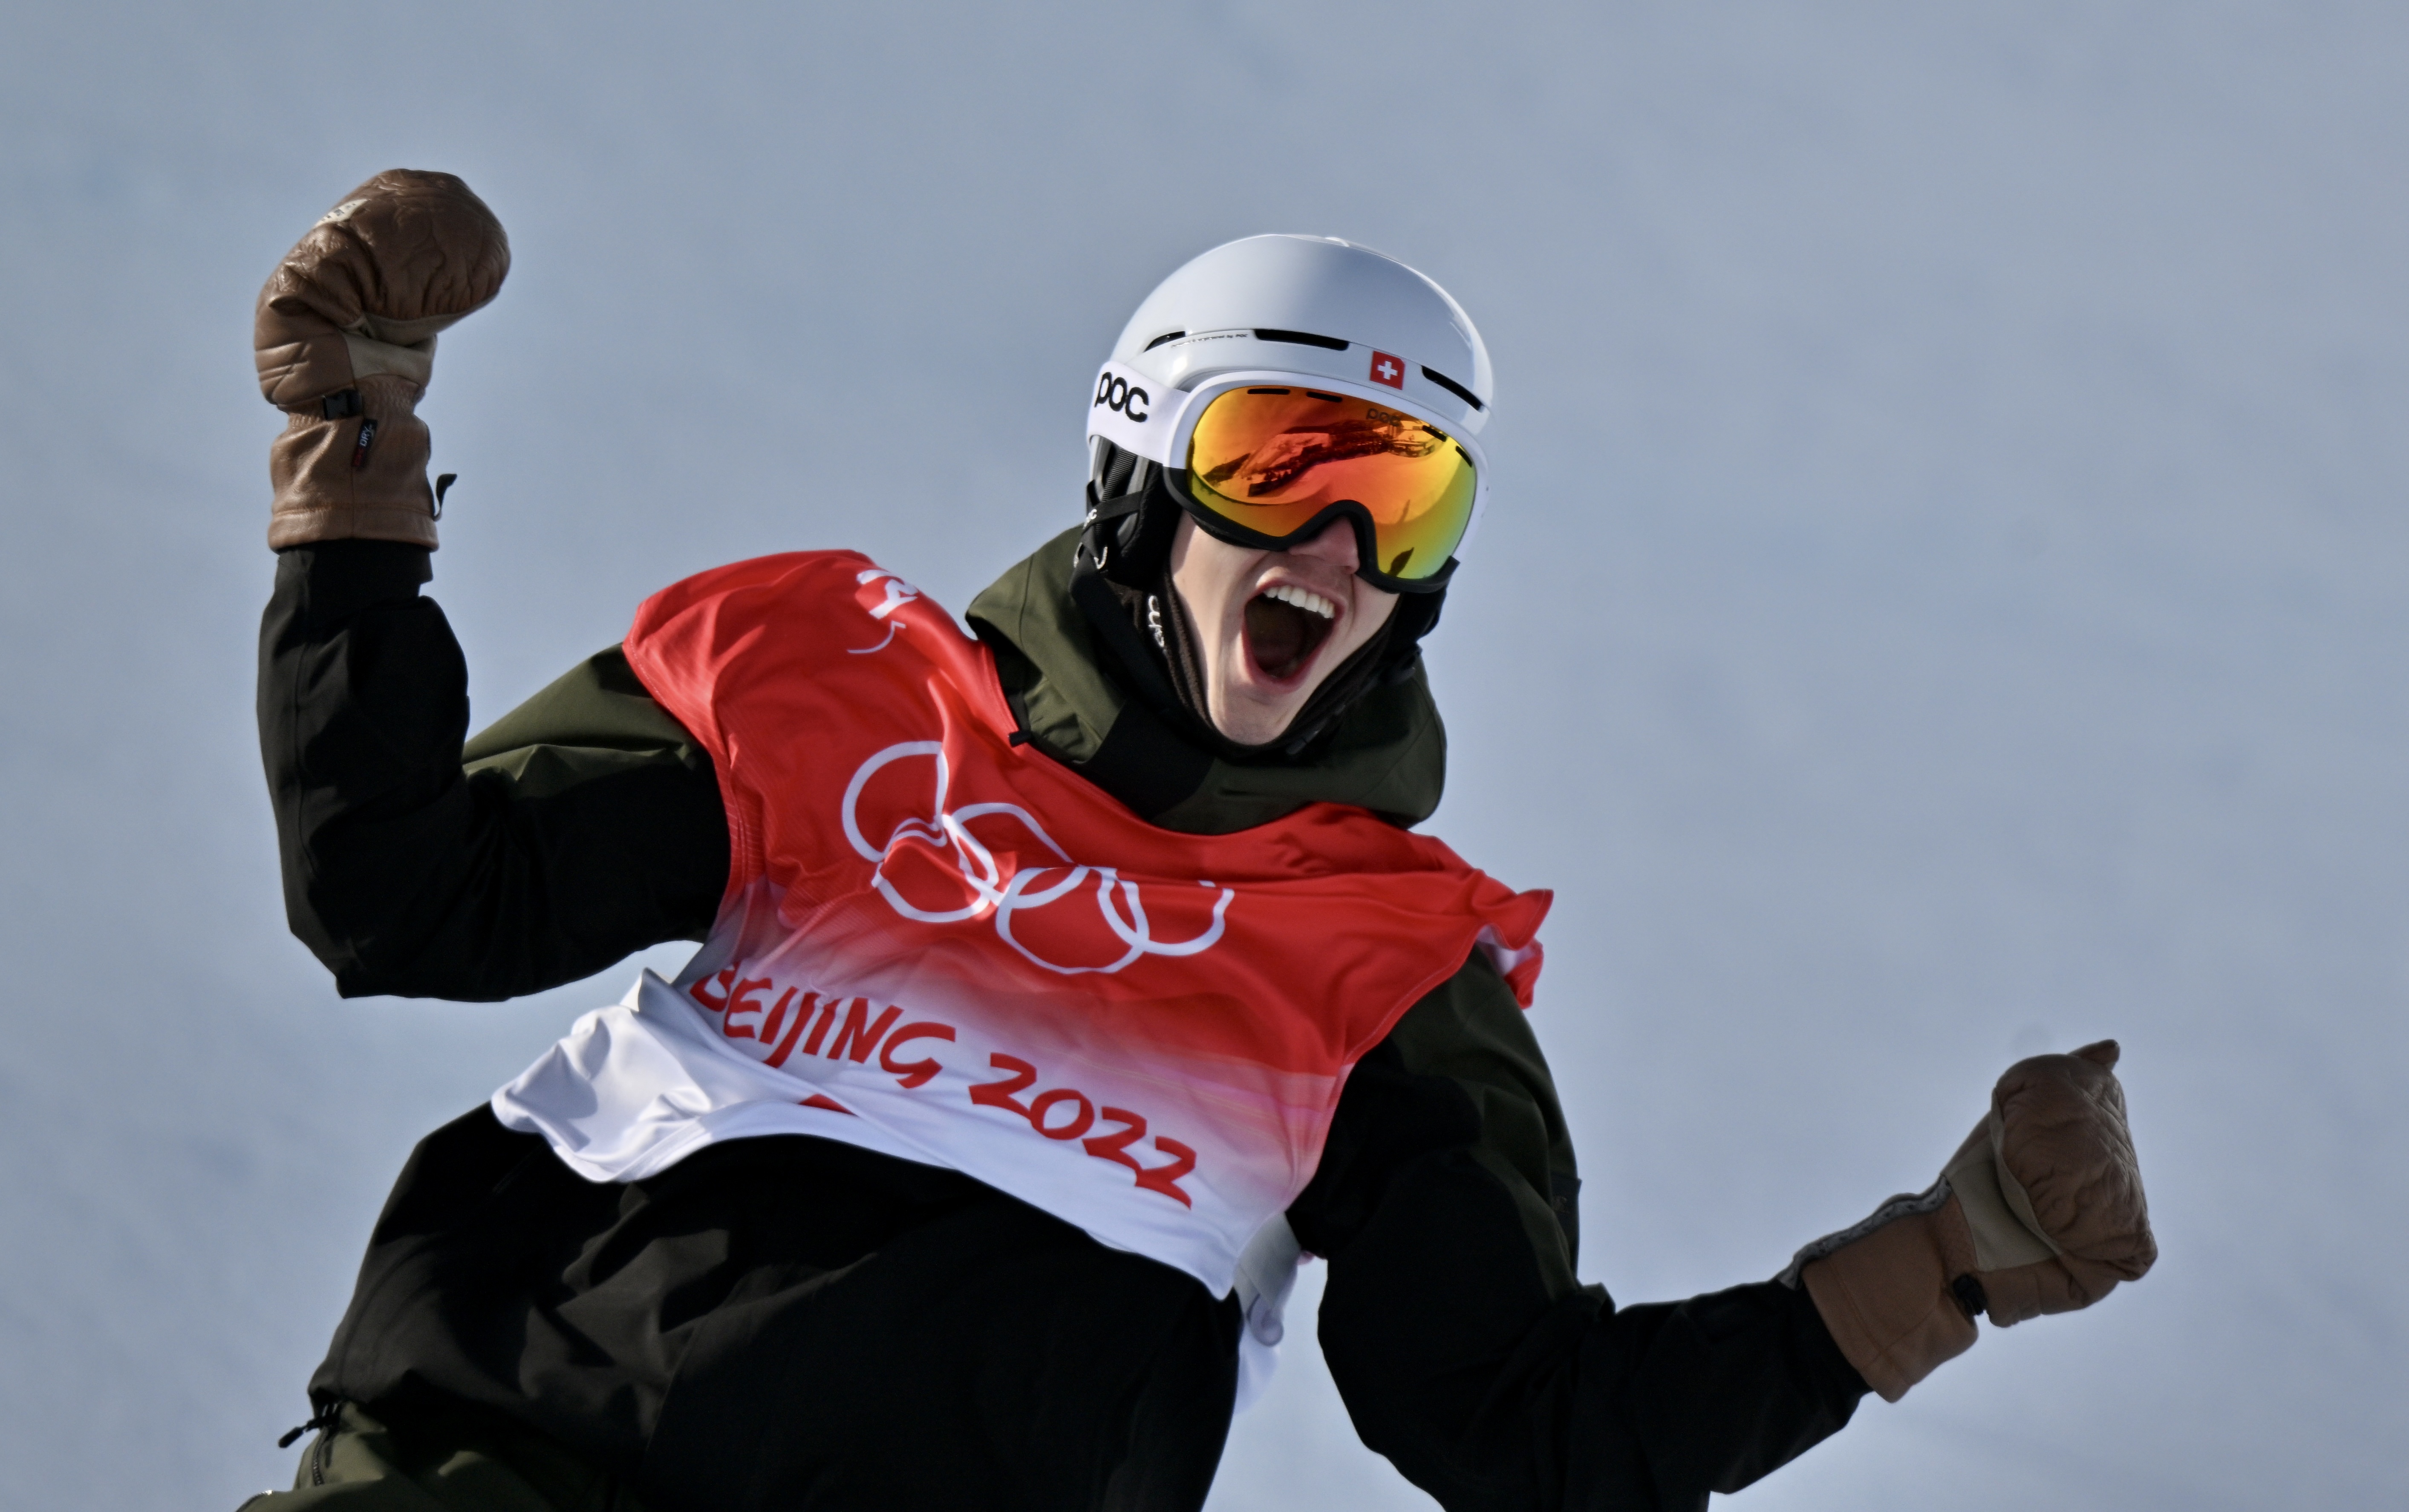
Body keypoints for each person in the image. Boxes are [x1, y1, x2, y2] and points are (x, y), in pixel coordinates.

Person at [243, 171, 2156, 1512]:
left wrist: (1950, 1254)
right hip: (490, 1453)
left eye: (1396, 500)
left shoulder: (1392, 970)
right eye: (1278, 461)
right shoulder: (836, 698)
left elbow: (1521, 1431)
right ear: (1139, 475)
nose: (1332, 548)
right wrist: (355, 469)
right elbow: (406, 892)